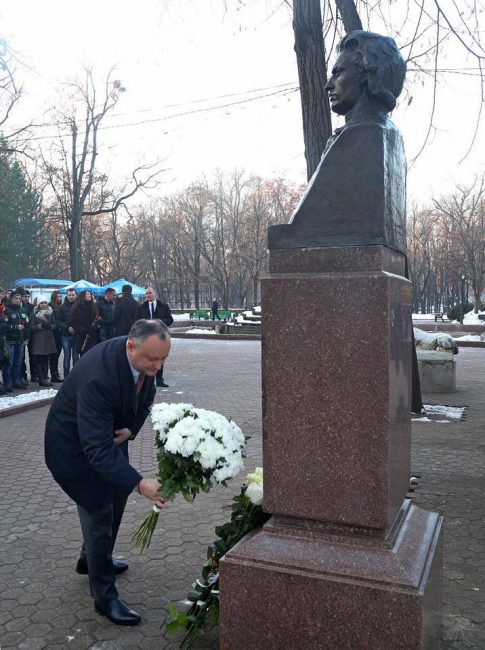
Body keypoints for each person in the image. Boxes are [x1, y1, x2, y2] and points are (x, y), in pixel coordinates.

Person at [44, 319, 170, 625]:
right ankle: (104, 597)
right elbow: (96, 451)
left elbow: (146, 397)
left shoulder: (143, 362)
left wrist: (132, 428)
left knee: (117, 497)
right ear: (131, 346)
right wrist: (140, 483)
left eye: (164, 359)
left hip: (109, 438)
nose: (158, 366)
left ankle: (90, 559)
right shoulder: (99, 377)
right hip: (73, 451)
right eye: (153, 359)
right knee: (99, 511)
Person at [136, 286, 173, 387]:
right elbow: (137, 322)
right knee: (147, 358)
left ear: (155, 294)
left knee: (159, 358)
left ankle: (159, 380)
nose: (147, 295)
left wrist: (159, 322)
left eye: (149, 293)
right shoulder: (141, 308)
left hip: (160, 336)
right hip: (147, 337)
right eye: (146, 293)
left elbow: (170, 319)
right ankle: (147, 381)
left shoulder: (164, 306)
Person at [2, 290, 30, 391]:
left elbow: (26, 325)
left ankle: (16, 380)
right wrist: (15, 327)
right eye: (16, 298)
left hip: (20, 341)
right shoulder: (6, 310)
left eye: (19, 298)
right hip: (10, 341)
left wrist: (27, 338)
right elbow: (4, 326)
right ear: (11, 299)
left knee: (18, 362)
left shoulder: (23, 310)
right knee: (9, 362)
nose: (18, 300)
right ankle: (8, 382)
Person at [30, 295, 58, 387]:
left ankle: (45, 378)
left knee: (46, 359)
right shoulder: (34, 313)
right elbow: (31, 327)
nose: (44, 304)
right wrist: (40, 326)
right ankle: (41, 379)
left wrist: (51, 326)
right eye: (41, 303)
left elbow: (55, 324)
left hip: (48, 338)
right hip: (39, 339)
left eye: (45, 302)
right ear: (38, 304)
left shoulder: (50, 312)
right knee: (39, 360)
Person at [69, 290, 100, 356]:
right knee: (83, 355)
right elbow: (72, 322)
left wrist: (95, 326)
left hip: (92, 335)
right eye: (88, 294)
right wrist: (82, 329)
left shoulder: (93, 306)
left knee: (92, 355)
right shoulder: (77, 307)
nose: (90, 295)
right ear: (83, 296)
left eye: (90, 294)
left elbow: (97, 318)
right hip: (81, 336)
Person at [56, 288, 78, 378]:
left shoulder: (79, 306)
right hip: (65, 335)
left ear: (76, 295)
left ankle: (76, 377)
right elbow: (58, 321)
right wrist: (67, 327)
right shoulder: (62, 307)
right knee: (67, 357)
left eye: (73, 295)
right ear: (67, 295)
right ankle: (66, 377)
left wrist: (77, 328)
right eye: (69, 295)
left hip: (77, 334)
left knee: (76, 357)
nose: (71, 297)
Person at [49, 290, 63, 383]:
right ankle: (53, 374)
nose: (58, 298)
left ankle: (56, 372)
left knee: (57, 355)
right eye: (57, 297)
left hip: (60, 333)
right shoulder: (51, 306)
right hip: (53, 333)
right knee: (53, 355)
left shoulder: (60, 306)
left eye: (59, 296)